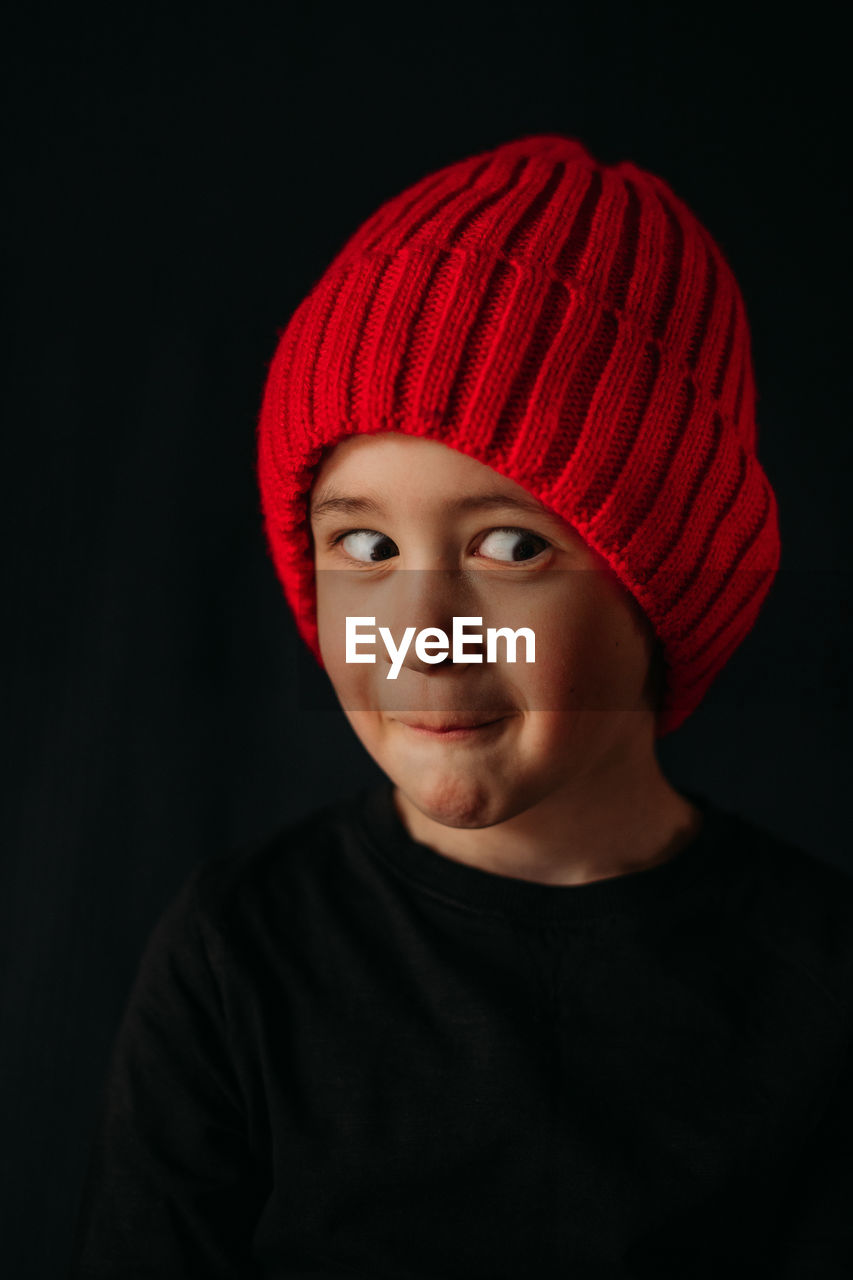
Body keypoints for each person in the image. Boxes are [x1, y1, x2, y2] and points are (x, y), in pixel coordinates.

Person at [70, 134, 853, 1278]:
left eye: (509, 544)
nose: (427, 626)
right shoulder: (238, 953)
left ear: (662, 582)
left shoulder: (819, 983)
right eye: (368, 544)